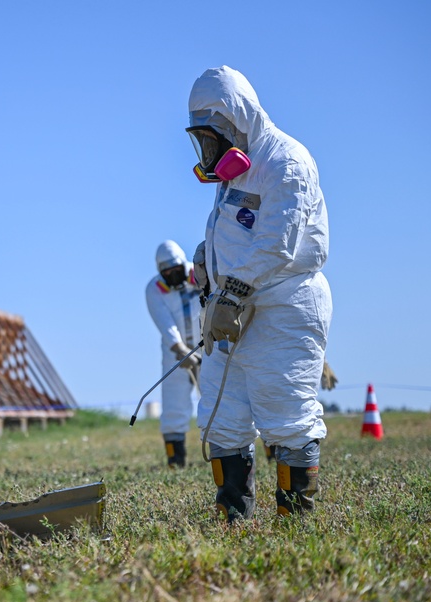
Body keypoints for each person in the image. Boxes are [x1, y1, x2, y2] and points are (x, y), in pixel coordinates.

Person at [185, 66, 332, 520]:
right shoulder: (235, 171)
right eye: (203, 141)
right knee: (220, 417)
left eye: (215, 138)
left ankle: (294, 522)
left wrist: (231, 294)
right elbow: (235, 230)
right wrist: (206, 257)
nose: (211, 153)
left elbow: (277, 243)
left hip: (282, 306)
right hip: (229, 306)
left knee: (287, 414)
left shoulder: (287, 162)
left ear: (239, 117)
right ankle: (234, 515)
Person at [145, 240, 203, 469]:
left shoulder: (201, 273)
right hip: (175, 353)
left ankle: (229, 454)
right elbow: (165, 323)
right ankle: (175, 461)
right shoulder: (154, 288)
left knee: (222, 401)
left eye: (175, 270)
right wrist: (179, 349)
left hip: (208, 348)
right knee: (173, 406)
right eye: (166, 272)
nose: (171, 275)